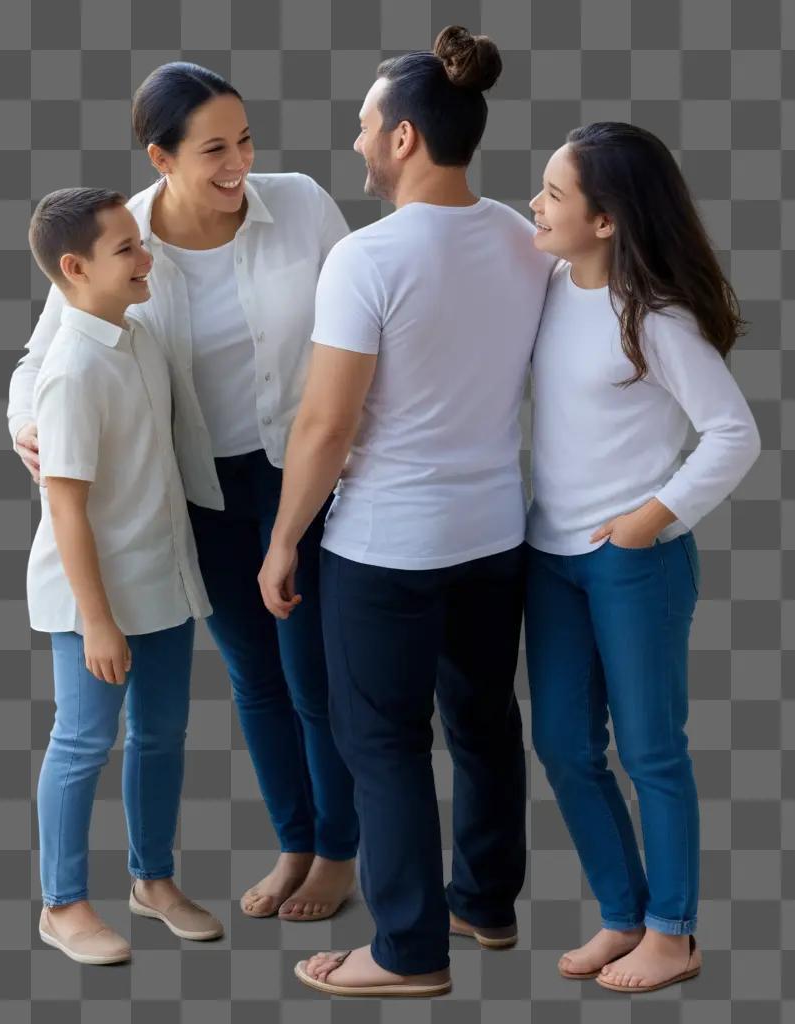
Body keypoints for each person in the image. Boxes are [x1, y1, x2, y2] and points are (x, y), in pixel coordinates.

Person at [7, 62, 359, 922]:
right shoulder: (119, 237)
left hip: (310, 477)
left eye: (244, 139)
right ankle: (295, 842)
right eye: (214, 149)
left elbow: (366, 315)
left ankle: (339, 856)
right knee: (255, 682)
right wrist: (31, 425)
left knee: (315, 675)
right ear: (161, 158)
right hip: (199, 491)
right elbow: (39, 357)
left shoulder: (303, 204)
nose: (239, 161)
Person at [258, 26, 556, 998]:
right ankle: (484, 904)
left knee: (380, 742)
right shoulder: (523, 234)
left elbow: (324, 425)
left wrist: (284, 537)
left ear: (402, 140)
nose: (353, 145)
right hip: (494, 533)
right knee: (482, 724)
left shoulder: (368, 258)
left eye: (362, 127)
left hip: (387, 545)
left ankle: (406, 950)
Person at [524, 122, 762, 992]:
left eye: (553, 193)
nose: (536, 204)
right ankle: (623, 916)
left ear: (607, 220)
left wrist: (647, 519)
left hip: (634, 563)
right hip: (548, 558)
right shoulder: (548, 283)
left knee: (652, 751)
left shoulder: (652, 317)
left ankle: (675, 932)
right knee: (561, 743)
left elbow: (735, 433)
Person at [25, 187, 224, 964]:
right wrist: (96, 621)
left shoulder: (136, 336)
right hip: (93, 601)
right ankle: (63, 903)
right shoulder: (72, 371)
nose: (148, 259)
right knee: (81, 743)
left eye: (142, 244)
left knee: (162, 735)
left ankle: (153, 881)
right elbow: (66, 511)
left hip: (161, 584)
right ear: (74, 269)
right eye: (127, 251)